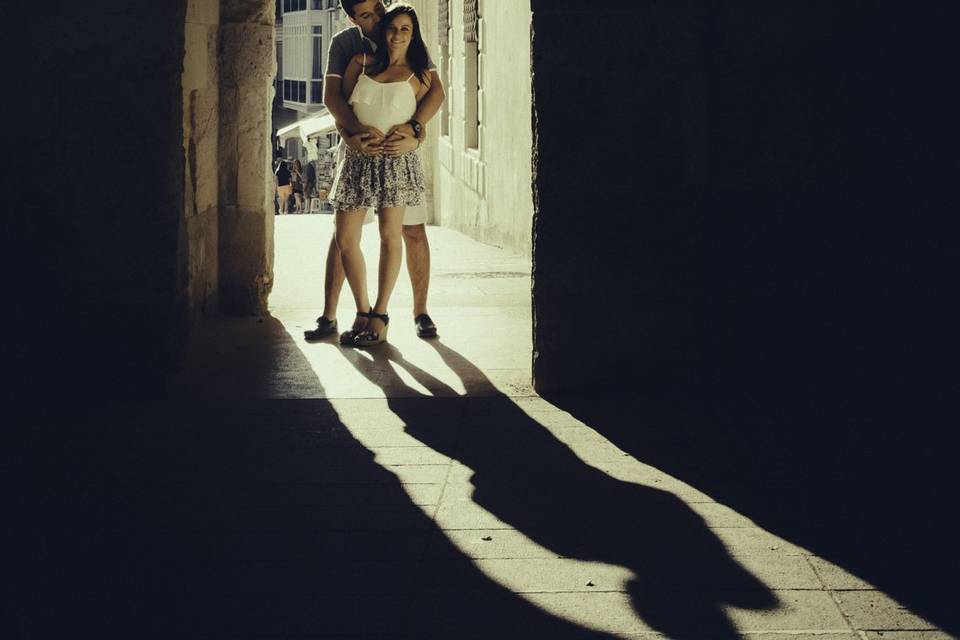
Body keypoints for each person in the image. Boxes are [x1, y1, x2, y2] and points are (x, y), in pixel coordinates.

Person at [304, 0, 445, 343]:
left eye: (379, 9)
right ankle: (333, 314)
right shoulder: (348, 47)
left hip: (398, 161)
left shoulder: (407, 39)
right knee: (343, 238)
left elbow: (434, 94)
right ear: (353, 19)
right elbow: (335, 100)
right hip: (357, 157)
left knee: (407, 232)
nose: (382, 21)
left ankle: (415, 312)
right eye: (369, 15)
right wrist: (354, 135)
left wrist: (416, 131)